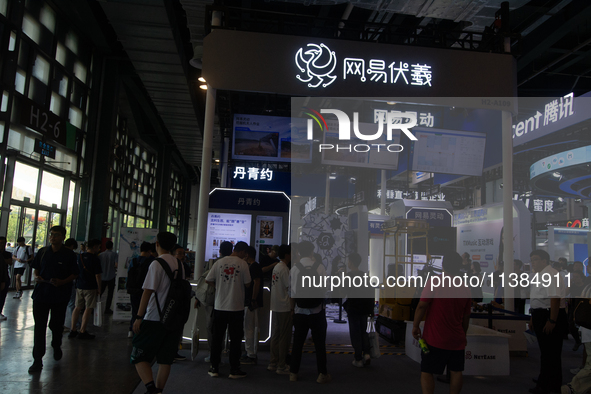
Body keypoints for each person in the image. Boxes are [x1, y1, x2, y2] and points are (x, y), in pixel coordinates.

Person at [412, 252, 472, 394]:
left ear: (443, 265)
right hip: (457, 340)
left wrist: (415, 326)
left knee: (427, 371)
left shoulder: (434, 282)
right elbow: (466, 317)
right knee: (456, 372)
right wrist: (463, 335)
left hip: (435, 339)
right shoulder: (465, 288)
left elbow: (422, 306)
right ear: (458, 267)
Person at [131, 231, 183, 394]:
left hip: (154, 317)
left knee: (138, 355)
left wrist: (139, 317)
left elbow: (147, 292)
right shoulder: (179, 264)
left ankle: (151, 388)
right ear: (173, 246)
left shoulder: (156, 264)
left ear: (157, 244)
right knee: (165, 359)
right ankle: (158, 390)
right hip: (173, 319)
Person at [28, 226, 79, 373]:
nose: (52, 237)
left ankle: (56, 345)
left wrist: (62, 282)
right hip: (41, 295)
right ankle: (37, 360)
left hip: (59, 296)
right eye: (51, 235)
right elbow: (36, 268)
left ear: (62, 237)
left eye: (56, 235)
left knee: (56, 325)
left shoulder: (69, 255)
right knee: (39, 327)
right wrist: (37, 277)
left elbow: (74, 274)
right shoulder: (43, 252)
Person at [206, 241, 251, 379]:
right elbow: (248, 283)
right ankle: (234, 369)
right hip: (236, 307)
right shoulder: (243, 264)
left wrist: (219, 287)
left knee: (217, 338)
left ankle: (214, 367)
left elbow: (208, 280)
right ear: (242, 252)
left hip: (220, 306)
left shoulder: (219, 262)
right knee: (236, 339)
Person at [290, 240, 331, 384]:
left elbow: (293, 292)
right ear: (312, 252)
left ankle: (293, 373)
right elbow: (325, 289)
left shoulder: (295, 268)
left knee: (297, 344)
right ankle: (322, 374)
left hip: (300, 311)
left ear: (299, 252)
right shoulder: (319, 267)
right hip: (317, 311)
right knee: (320, 344)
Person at [529, 249, 568, 394]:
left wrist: (552, 320)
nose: (533, 262)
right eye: (532, 259)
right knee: (546, 352)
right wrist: (533, 317)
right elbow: (537, 300)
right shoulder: (540, 274)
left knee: (550, 353)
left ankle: (549, 385)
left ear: (545, 260)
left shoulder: (550, 274)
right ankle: (545, 379)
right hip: (541, 314)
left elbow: (555, 299)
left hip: (549, 315)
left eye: (536, 259)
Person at [196, 240, 233, 363]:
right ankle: (224, 350)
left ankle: (213, 353)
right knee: (226, 327)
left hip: (212, 299)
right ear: (231, 251)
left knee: (211, 327)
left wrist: (197, 297)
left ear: (220, 251)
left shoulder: (212, 262)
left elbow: (204, 281)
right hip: (229, 299)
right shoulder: (236, 263)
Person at [343, 252, 375, 368]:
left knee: (355, 333)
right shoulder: (365, 276)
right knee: (363, 331)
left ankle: (358, 358)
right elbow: (371, 293)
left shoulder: (348, 276)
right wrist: (371, 310)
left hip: (353, 308)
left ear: (351, 262)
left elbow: (344, 291)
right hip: (365, 308)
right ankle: (366, 353)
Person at [69, 238, 102, 340]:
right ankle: (82, 331)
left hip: (79, 286)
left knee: (77, 307)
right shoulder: (95, 259)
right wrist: (99, 288)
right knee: (88, 308)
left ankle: (73, 329)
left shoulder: (80, 256)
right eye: (99, 247)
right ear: (95, 247)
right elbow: (97, 275)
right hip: (90, 287)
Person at [563, 282, 591, 394]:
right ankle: (573, 388)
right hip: (589, 330)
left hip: (587, 329)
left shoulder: (587, 286)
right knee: (590, 366)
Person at [268, 244, 291, 373]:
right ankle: (281, 365)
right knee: (284, 337)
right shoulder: (284, 269)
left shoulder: (276, 267)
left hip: (275, 305)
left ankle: (273, 362)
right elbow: (289, 288)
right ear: (287, 255)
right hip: (284, 306)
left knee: (276, 335)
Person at [127, 241, 155, 339]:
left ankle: (133, 331)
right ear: (149, 251)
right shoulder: (150, 262)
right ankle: (141, 334)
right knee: (144, 313)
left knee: (135, 312)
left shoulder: (133, 261)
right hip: (144, 292)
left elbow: (128, 275)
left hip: (133, 291)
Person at [241, 245, 263, 365]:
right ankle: (249, 351)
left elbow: (257, 282)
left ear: (247, 254)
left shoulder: (254, 267)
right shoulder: (254, 266)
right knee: (248, 327)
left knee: (250, 327)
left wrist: (253, 299)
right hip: (251, 302)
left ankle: (251, 353)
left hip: (251, 303)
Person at [99, 240, 118, 315]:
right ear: (112, 246)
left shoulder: (101, 255)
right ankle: (107, 309)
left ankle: (94, 307)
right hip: (111, 276)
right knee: (110, 293)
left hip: (102, 277)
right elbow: (116, 265)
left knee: (100, 292)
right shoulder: (114, 254)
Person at [63, 238, 79, 331]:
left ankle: (60, 324)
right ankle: (75, 324)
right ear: (72, 246)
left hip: (57, 283)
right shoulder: (72, 255)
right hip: (69, 282)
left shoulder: (59, 253)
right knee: (72, 303)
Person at [0, 236, 13, 320]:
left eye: (3, 243)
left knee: (2, 296)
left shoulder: (7, 253)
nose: (1, 245)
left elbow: (10, 262)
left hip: (4, 278)